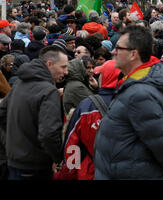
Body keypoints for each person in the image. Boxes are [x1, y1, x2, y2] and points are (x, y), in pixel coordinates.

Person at [93, 25, 163, 180]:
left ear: (133, 54)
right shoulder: (133, 85)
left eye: (118, 48)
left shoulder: (139, 94)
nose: (113, 51)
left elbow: (161, 140)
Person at [0, 46, 68, 180]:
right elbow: (49, 134)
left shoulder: (19, 82)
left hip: (15, 161)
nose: (66, 72)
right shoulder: (49, 91)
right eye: (63, 67)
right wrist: (58, 158)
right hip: (35, 166)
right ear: (49, 64)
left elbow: (2, 114)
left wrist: (15, 142)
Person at [54, 60, 121, 180]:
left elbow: (72, 143)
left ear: (105, 77)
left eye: (100, 74)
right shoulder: (134, 103)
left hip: (90, 172)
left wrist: (70, 171)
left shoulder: (88, 106)